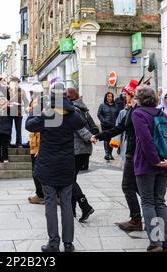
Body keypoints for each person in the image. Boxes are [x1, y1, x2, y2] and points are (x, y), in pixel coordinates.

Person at [26, 83, 86, 253]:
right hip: (66, 165)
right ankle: (68, 244)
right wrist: (71, 107)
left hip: (47, 165)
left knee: (50, 204)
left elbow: (29, 125)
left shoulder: (47, 114)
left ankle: (53, 243)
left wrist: (38, 108)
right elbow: (81, 122)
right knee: (66, 204)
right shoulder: (72, 115)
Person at [91, 79, 143, 232]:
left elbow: (121, 128)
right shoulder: (133, 110)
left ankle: (137, 219)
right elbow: (119, 128)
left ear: (132, 95)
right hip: (134, 154)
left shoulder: (135, 111)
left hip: (133, 154)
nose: (123, 96)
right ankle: (144, 214)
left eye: (126, 94)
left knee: (128, 186)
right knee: (136, 187)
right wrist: (99, 136)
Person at [132, 85, 167, 252]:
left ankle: (156, 243)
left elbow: (145, 139)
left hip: (147, 164)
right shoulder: (162, 113)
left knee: (148, 202)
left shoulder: (138, 114)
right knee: (161, 202)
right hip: (166, 163)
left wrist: (155, 160)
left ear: (139, 99)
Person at [66, 88, 97, 222]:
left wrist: (89, 137)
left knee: (69, 179)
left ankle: (84, 205)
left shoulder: (74, 109)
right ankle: (71, 210)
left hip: (77, 149)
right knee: (71, 179)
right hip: (82, 149)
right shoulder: (81, 107)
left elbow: (79, 127)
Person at [27, 83, 45, 205]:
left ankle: (41, 195)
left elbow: (37, 125)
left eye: (32, 93)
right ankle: (41, 193)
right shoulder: (36, 104)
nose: (31, 95)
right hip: (35, 142)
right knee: (36, 171)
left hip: (40, 143)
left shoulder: (40, 105)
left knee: (37, 171)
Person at [97, 91, 120, 160]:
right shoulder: (102, 105)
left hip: (113, 125)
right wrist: (103, 121)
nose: (110, 98)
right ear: (106, 97)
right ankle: (107, 153)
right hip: (105, 125)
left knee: (111, 140)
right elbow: (99, 114)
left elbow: (118, 115)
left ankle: (110, 154)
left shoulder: (116, 105)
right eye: (108, 96)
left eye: (111, 96)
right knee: (106, 139)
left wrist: (117, 122)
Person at [8, 76, 29, 147]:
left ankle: (19, 143)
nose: (15, 83)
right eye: (13, 82)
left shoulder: (22, 91)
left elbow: (26, 101)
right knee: (8, 128)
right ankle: (8, 142)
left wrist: (26, 108)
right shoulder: (7, 90)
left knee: (18, 129)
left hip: (19, 112)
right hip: (9, 112)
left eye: (16, 82)